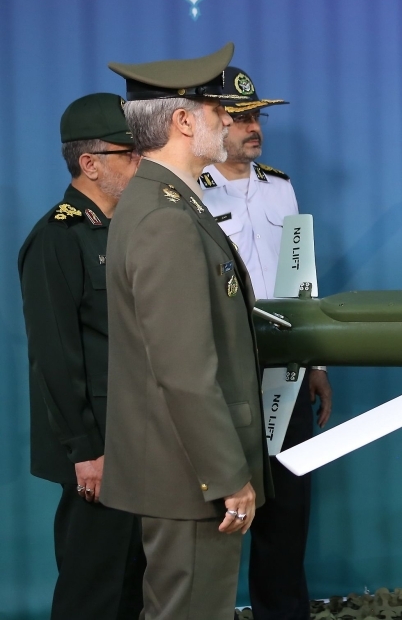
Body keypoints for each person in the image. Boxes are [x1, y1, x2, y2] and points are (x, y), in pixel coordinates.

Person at [100, 43, 272, 620]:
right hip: (193, 476)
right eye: (214, 109)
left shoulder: (165, 201)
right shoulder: (165, 217)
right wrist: (229, 475)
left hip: (181, 470)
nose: (227, 117)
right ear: (181, 121)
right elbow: (184, 371)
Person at [199, 67, 332, 620]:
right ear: (215, 122)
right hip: (222, 368)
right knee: (216, 503)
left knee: (287, 502)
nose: (255, 128)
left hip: (285, 361)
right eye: (242, 118)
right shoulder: (189, 191)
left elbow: (302, 274)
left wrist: (317, 360)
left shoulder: (280, 186)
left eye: (258, 116)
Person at [18, 93, 145, 620]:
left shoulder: (129, 230)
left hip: (139, 437)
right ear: (89, 163)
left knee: (132, 582)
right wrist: (84, 450)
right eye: (128, 152)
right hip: (97, 447)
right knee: (92, 587)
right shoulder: (56, 239)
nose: (141, 163)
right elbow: (56, 356)